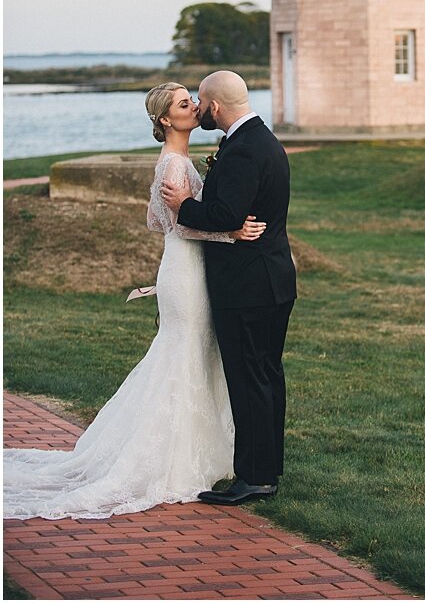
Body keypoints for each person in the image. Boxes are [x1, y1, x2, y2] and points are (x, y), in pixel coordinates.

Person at [3, 83, 262, 520]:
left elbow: (157, 220)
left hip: (186, 266)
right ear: (166, 120)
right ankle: (167, 459)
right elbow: (177, 226)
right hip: (186, 269)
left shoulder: (174, 162)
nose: (195, 108)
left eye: (194, 101)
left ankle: (205, 452)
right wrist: (229, 232)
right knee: (183, 355)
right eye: (184, 104)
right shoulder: (172, 165)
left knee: (194, 355)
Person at [161, 70, 296, 506]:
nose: (199, 110)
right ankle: (267, 471)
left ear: (215, 107)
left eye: (200, 102)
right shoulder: (261, 140)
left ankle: (255, 477)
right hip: (272, 279)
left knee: (250, 378)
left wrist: (184, 207)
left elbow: (224, 213)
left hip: (247, 286)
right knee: (267, 376)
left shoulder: (242, 150)